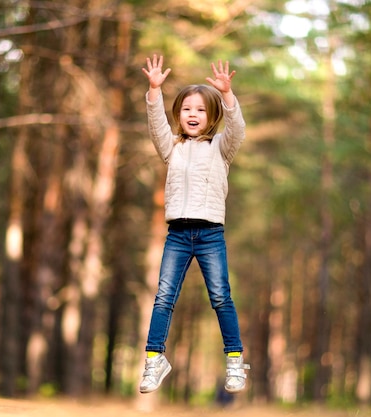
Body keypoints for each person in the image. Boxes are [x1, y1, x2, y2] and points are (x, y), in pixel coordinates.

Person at [139, 54, 250, 394]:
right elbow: (157, 126)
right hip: (178, 234)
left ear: (212, 115)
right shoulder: (172, 149)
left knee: (220, 296)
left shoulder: (221, 148)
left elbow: (238, 129)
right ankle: (154, 359)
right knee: (163, 298)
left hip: (210, 234)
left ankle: (234, 361)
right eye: (187, 108)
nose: (192, 114)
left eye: (201, 109)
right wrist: (155, 91)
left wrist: (228, 95)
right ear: (179, 114)